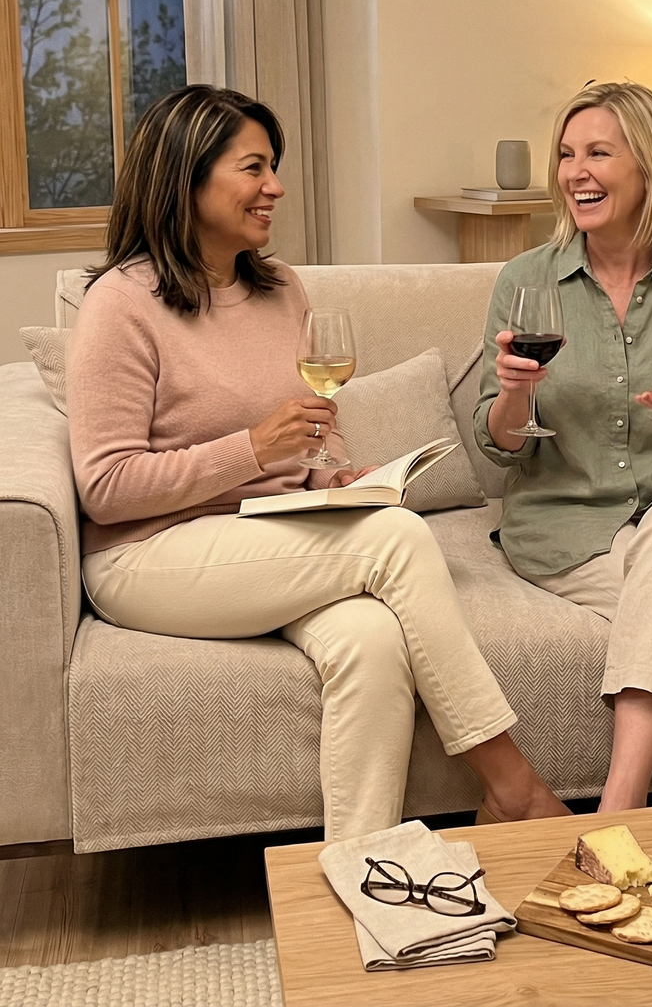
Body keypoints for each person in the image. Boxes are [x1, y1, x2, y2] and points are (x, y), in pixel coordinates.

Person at [68, 84, 568, 839]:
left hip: (266, 537)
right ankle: (512, 784)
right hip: (147, 555)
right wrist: (251, 450)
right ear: (185, 178)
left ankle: (362, 868)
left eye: (274, 167)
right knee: (396, 537)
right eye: (253, 168)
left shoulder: (280, 289)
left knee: (371, 639)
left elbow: (309, 431)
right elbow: (105, 489)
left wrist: (334, 477)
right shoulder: (121, 303)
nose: (275, 187)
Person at [474, 81, 652, 811]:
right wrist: (513, 392)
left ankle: (615, 813)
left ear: (649, 167)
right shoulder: (526, 280)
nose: (576, 172)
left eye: (598, 153)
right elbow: (499, 445)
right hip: (564, 524)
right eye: (567, 155)